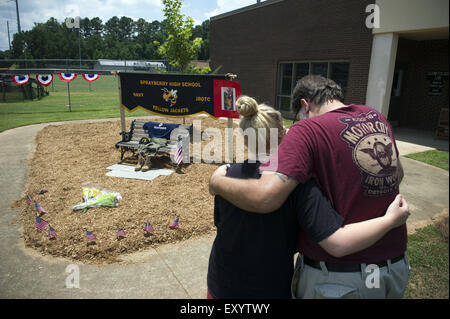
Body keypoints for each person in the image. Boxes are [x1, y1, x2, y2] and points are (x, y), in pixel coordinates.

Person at [209, 76, 410, 299]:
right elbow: (396, 173)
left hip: (341, 278)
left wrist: (216, 181)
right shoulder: (376, 116)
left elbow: (266, 197)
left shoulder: (307, 130)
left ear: (305, 105)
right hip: (395, 266)